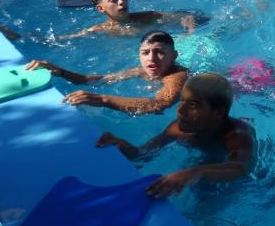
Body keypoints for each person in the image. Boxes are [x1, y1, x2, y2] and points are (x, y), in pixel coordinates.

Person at [96, 73, 256, 198]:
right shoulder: (178, 129)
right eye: (182, 101)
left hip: (236, 170)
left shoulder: (237, 135)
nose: (180, 110)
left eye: (193, 105)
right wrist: (123, 147)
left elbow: (242, 167)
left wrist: (195, 172)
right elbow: (143, 155)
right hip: (207, 159)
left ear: (218, 113)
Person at [25, 30, 188, 115]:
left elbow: (159, 104)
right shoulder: (141, 71)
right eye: (145, 53)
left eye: (159, 52)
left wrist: (102, 99)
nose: (151, 58)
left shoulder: (177, 77)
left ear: (173, 56)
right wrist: (60, 71)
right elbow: (96, 80)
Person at [0, 0, 202, 39]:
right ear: (101, 8)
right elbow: (62, 38)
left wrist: (189, 33)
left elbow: (187, 17)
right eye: (114, 0)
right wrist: (17, 35)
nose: (121, 2)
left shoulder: (148, 16)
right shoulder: (101, 29)